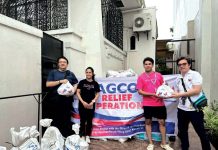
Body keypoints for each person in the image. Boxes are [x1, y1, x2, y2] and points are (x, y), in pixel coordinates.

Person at [171, 57, 211, 150]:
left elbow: (196, 90)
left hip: (194, 109)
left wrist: (179, 94)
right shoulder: (178, 78)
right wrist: (167, 94)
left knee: (201, 132)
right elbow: (177, 94)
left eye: (184, 64)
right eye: (180, 65)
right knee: (182, 132)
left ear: (189, 65)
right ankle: (185, 147)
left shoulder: (195, 74)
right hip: (181, 109)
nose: (181, 66)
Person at [136, 57, 173, 150]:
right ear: (143, 65)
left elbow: (164, 87)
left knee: (162, 123)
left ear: (152, 65)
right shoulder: (141, 77)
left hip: (159, 103)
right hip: (148, 104)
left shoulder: (159, 75)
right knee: (148, 122)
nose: (147, 65)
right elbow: (140, 91)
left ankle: (164, 143)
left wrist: (165, 92)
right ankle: (150, 143)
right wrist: (152, 94)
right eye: (146, 64)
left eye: (149, 64)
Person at [43, 56, 78, 138]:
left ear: (67, 64)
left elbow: (76, 83)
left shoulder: (71, 73)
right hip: (55, 101)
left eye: (64, 62)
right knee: (56, 120)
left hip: (67, 100)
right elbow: (48, 84)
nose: (62, 63)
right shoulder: (53, 72)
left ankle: (65, 137)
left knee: (66, 119)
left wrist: (72, 91)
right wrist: (60, 81)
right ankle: (56, 138)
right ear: (58, 64)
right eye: (61, 62)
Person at [76, 67, 100, 143]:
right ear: (85, 73)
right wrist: (83, 102)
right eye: (87, 72)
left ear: (92, 73)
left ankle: (88, 136)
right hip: (82, 104)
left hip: (91, 105)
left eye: (90, 72)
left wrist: (92, 102)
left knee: (89, 121)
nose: (88, 74)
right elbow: (77, 92)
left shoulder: (95, 83)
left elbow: (97, 94)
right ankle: (82, 135)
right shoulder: (82, 82)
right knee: (82, 120)